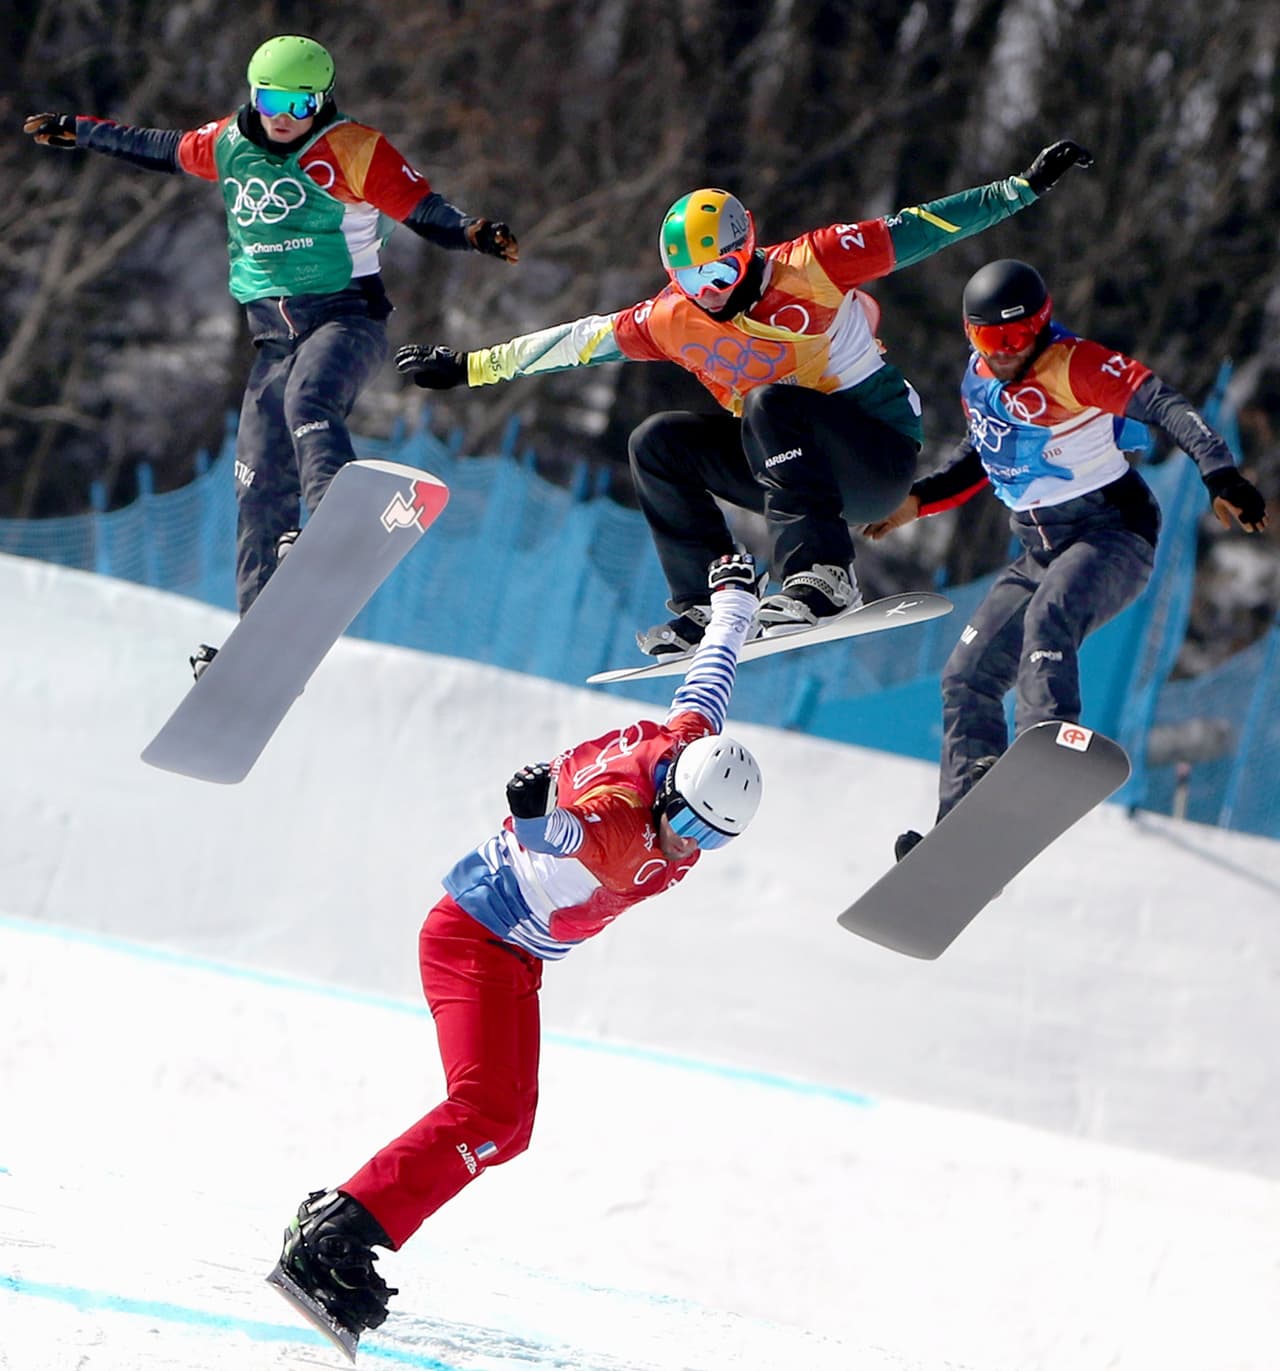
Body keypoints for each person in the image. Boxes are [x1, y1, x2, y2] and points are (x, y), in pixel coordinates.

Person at [273, 552, 763, 1340]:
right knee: (489, 1111)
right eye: (687, 824)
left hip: (506, 949)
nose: (685, 845)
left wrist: (734, 599)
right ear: (668, 793)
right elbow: (565, 833)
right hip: (475, 937)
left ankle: (347, 1220)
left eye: (710, 837)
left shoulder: (686, 746)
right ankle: (336, 1231)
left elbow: (710, 678)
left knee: (510, 1122)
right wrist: (533, 813)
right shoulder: (622, 825)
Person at [394, 141, 1093, 656]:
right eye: (694, 277)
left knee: (768, 403)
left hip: (875, 455)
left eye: (724, 268)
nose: (713, 290)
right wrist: (469, 367)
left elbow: (920, 229)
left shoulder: (812, 266)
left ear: (749, 247)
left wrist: (1020, 189)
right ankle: (708, 603)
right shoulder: (671, 318)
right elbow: (581, 340)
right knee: (658, 444)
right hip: (792, 468)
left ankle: (824, 574)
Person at [23, 34, 518, 674]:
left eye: (302, 102)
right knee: (255, 481)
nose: (286, 115)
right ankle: (258, 642)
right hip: (273, 340)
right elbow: (160, 147)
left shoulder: (351, 149)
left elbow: (420, 207)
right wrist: (83, 132)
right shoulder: (229, 142)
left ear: (324, 100)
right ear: (252, 95)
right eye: (272, 98)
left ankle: (340, 513)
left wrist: (472, 231)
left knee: (307, 398)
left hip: (347, 320)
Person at [865, 259, 1269, 859]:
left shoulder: (1075, 365)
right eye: (988, 338)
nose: (1003, 352)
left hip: (1110, 534)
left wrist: (1220, 471)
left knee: (1050, 617)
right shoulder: (978, 378)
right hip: (1037, 547)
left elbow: (1165, 405)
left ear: (1042, 324)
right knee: (966, 677)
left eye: (1017, 337)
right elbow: (984, 455)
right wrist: (919, 501)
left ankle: (1046, 745)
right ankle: (965, 831)